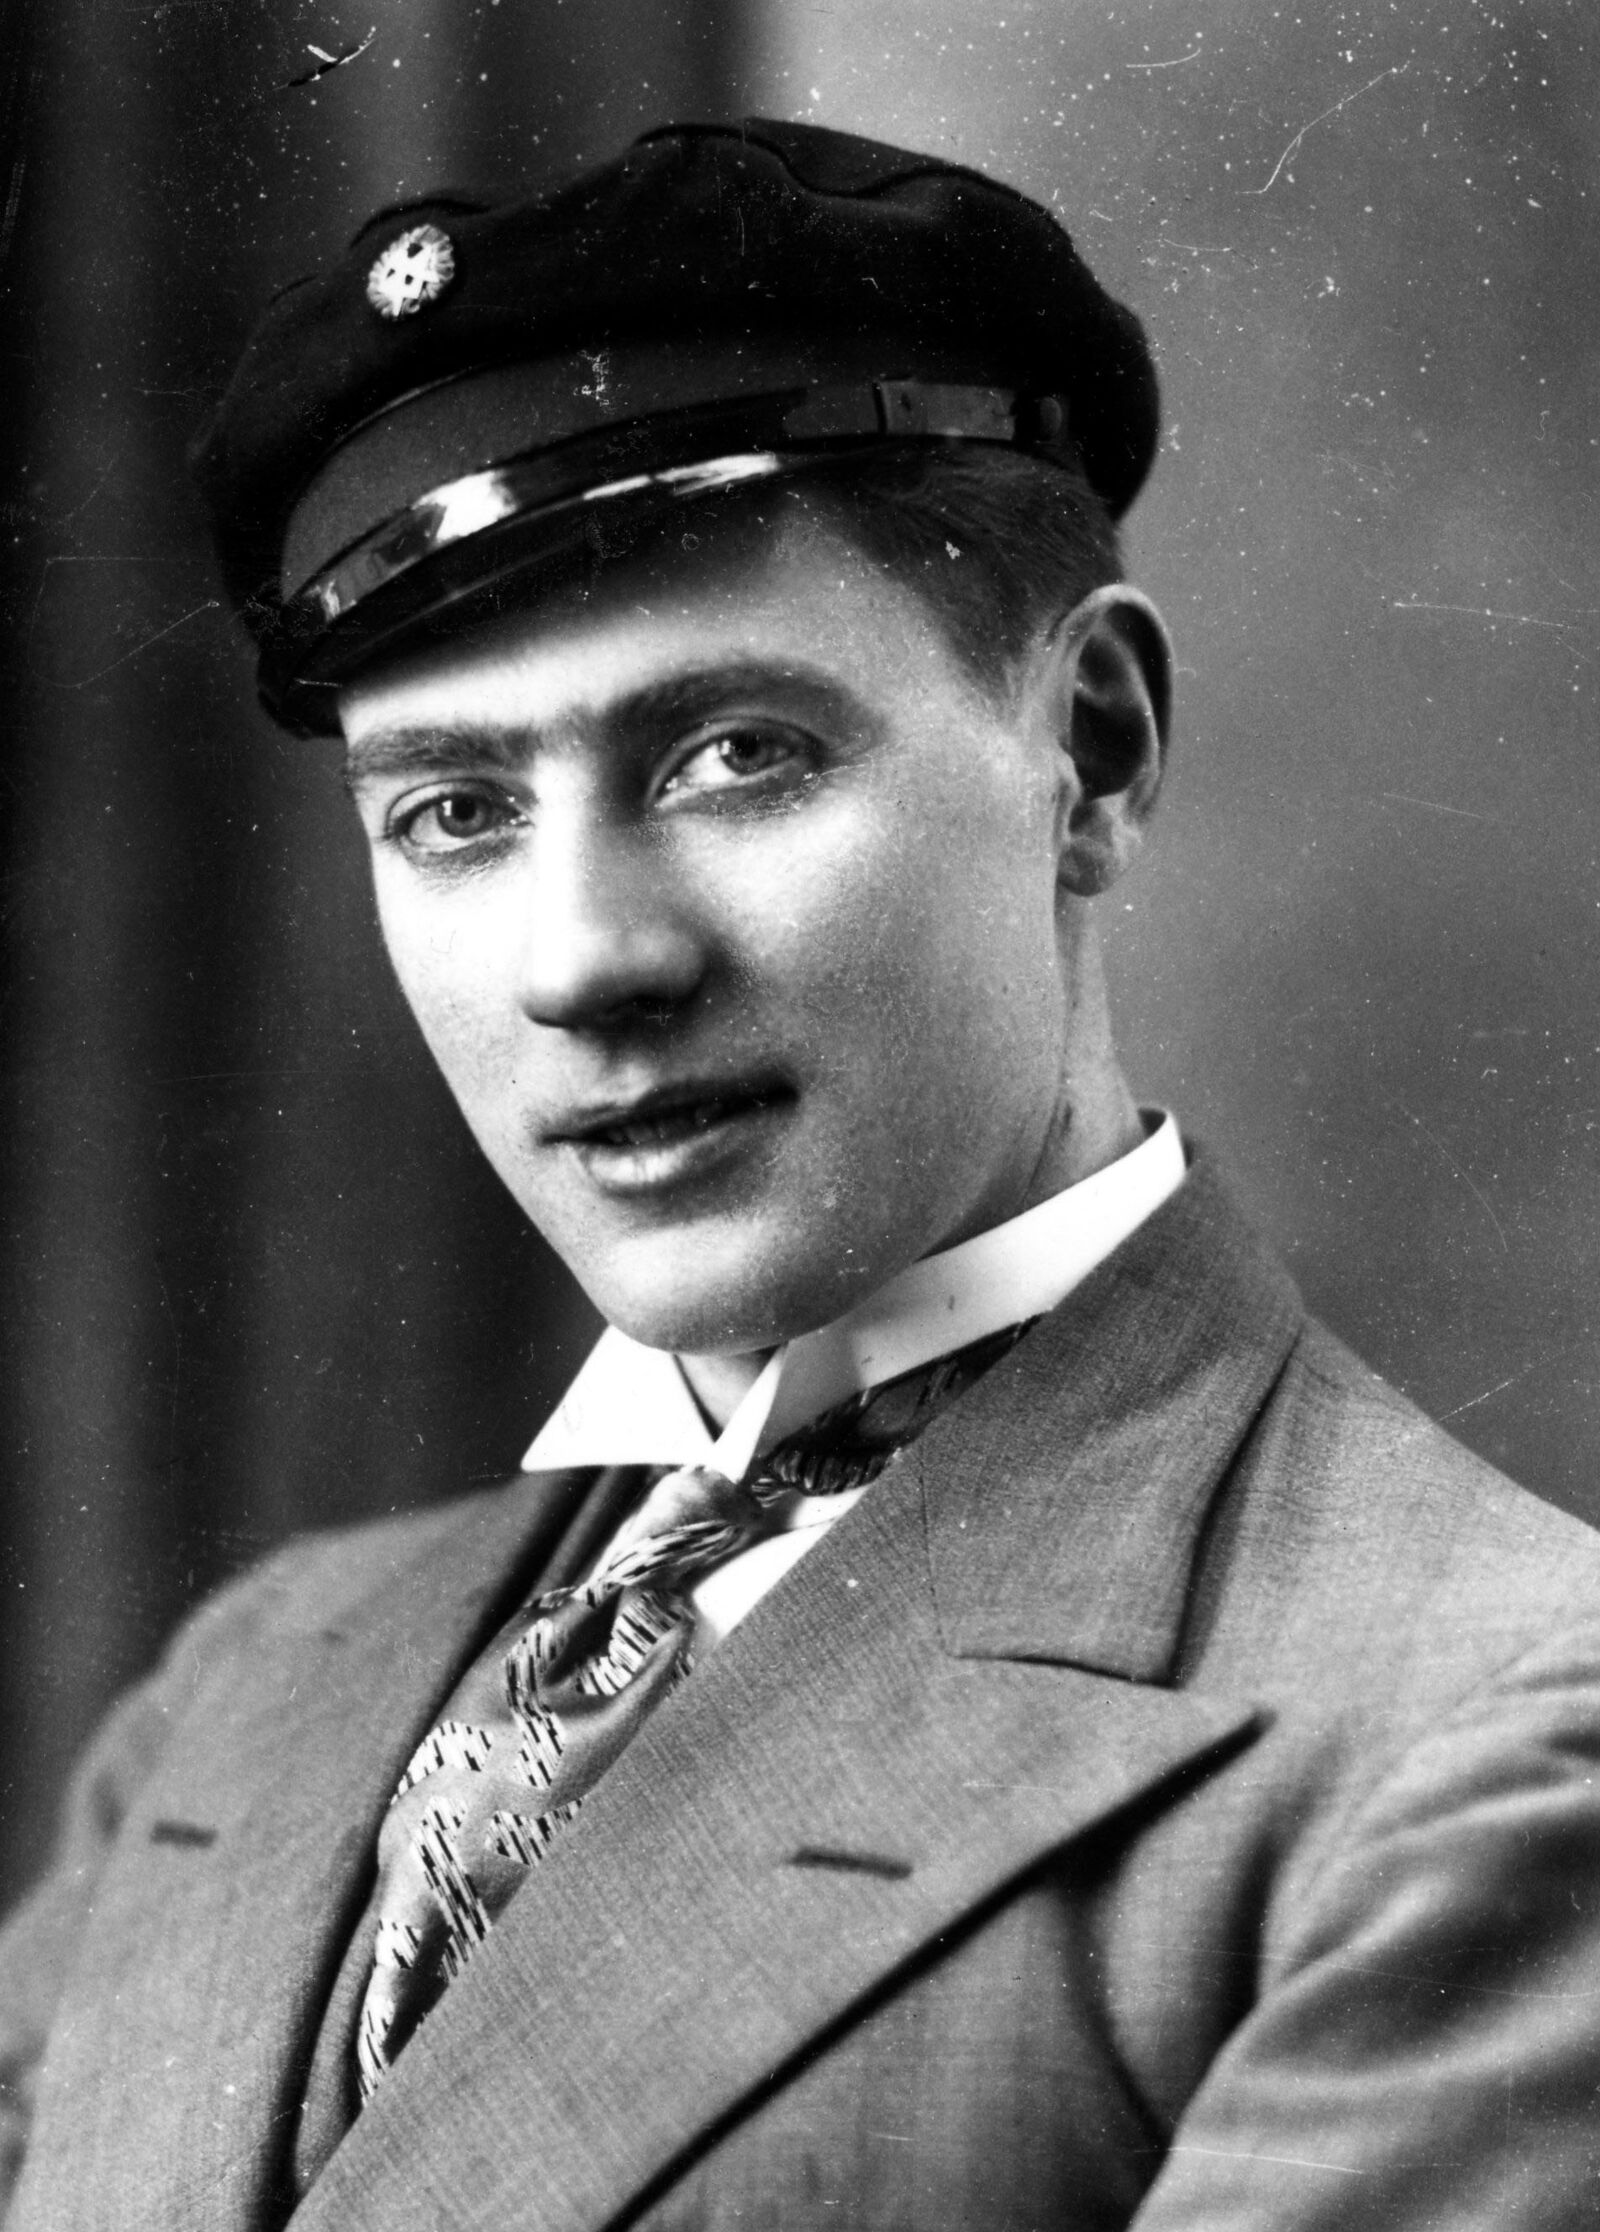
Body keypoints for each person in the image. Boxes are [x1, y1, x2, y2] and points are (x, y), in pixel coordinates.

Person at [3, 115, 1600, 2232]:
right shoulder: (244, 1698)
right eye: (455, 814)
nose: (584, 961)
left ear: (1091, 751)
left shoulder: (1482, 1742)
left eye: (733, 755)